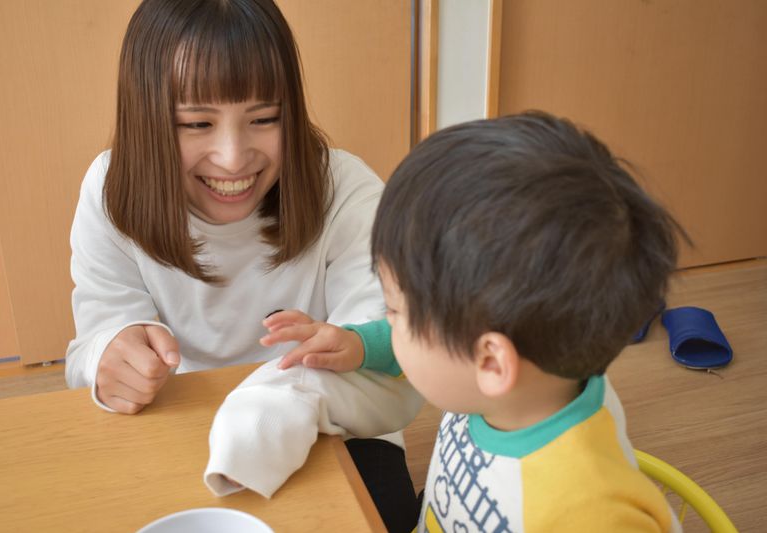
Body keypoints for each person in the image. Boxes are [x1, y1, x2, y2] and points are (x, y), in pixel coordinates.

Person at [65, 0, 419, 530]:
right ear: (147, 121)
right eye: (196, 123)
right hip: (182, 423)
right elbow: (89, 352)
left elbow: (396, 356)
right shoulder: (112, 191)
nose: (233, 157)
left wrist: (334, 358)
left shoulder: (345, 190)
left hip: (337, 431)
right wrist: (109, 357)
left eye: (263, 119)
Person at [262, 111, 686, 531]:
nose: (388, 322)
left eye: (395, 311)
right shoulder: (532, 375)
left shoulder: (589, 515)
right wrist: (359, 344)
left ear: (492, 363)